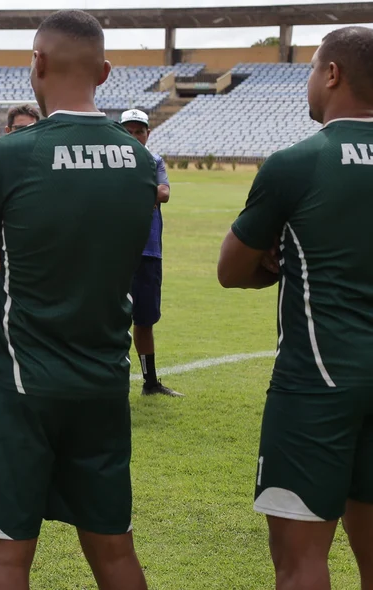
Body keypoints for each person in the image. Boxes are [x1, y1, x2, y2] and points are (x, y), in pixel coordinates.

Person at [0, 11, 157, 589]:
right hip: (103, 380)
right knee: (115, 552)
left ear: (36, 63)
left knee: (5, 557)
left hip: (20, 385)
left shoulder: (6, 156)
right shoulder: (139, 161)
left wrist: (1, 256)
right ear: (107, 73)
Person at [217, 26, 373, 590]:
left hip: (316, 383)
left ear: (332, 74)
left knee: (301, 560)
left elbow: (231, 271)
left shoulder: (296, 163)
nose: (308, 80)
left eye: (311, 68)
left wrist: (278, 263)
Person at [120, 108, 183, 398]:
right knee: (107, 318)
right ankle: (109, 381)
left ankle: (150, 382)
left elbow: (165, 193)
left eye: (139, 131)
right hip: (114, 252)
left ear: (148, 133)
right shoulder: (109, 163)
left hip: (148, 252)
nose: (134, 136)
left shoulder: (154, 160)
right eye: (129, 131)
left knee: (144, 320)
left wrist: (131, 191)